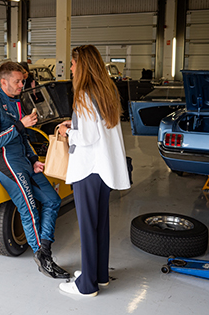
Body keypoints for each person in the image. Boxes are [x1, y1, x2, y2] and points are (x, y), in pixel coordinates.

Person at [0, 61, 69, 279]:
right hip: (5, 162)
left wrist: (32, 159)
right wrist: (21, 124)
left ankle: (43, 248)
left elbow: (23, 135)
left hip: (24, 160)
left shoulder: (18, 102)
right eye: (17, 81)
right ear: (3, 81)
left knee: (52, 199)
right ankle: (44, 258)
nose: (22, 85)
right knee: (29, 209)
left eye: (22, 81)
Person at [57, 45, 131, 297]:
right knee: (100, 225)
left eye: (73, 64)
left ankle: (87, 285)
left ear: (83, 65)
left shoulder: (84, 95)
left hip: (88, 170)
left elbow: (86, 137)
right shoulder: (106, 91)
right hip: (104, 169)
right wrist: (75, 122)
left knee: (88, 227)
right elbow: (98, 127)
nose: (70, 68)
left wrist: (68, 131)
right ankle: (99, 274)